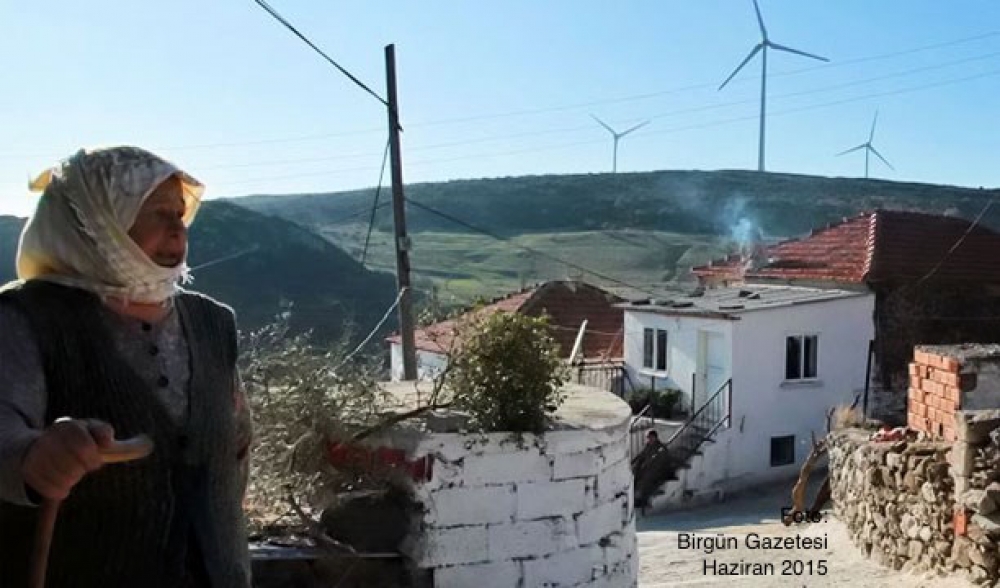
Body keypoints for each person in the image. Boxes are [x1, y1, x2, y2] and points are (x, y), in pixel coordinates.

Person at [0, 147, 253, 587]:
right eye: (158, 213)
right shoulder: (24, 318)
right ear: (97, 223)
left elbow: (236, 447)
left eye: (180, 213)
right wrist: (32, 457)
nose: (178, 229)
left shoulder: (213, 322)